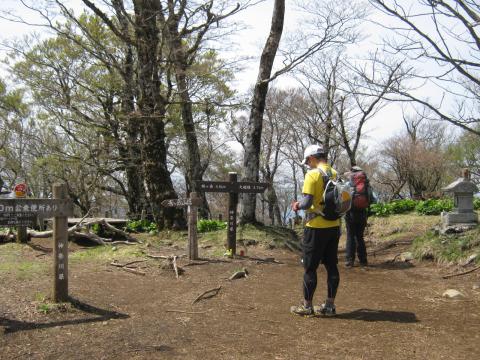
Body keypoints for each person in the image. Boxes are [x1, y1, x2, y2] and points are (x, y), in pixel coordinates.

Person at [290, 144, 341, 316]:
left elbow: (306, 203)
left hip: (315, 227)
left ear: (312, 158)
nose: (307, 165)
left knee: (310, 268)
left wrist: (297, 205)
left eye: (307, 161)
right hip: (334, 226)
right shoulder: (334, 173)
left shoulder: (312, 175)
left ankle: (307, 306)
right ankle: (330, 306)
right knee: (332, 265)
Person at [345, 166, 369, 268]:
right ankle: (363, 261)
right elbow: (374, 199)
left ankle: (350, 261)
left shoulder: (348, 184)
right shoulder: (366, 185)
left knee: (350, 236)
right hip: (362, 214)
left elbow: (343, 199)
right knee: (360, 237)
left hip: (350, 214)